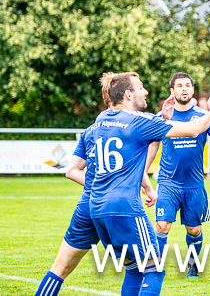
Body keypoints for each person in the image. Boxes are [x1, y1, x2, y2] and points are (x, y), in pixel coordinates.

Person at [89, 72, 210, 296]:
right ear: (128, 94)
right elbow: (193, 130)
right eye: (141, 87)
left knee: (134, 267)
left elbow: (78, 168)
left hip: (97, 206)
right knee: (154, 265)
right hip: (130, 203)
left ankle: (192, 263)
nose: (146, 91)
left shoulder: (101, 120)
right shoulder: (144, 120)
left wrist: (148, 187)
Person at [34, 73, 158, 296]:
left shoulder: (93, 129)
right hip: (115, 206)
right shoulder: (130, 126)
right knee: (144, 266)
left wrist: (100, 182)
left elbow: (71, 171)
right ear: (124, 95)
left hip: (88, 204)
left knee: (60, 267)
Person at [150, 73, 210, 279]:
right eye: (179, 85)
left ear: (192, 90)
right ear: (172, 91)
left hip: (194, 183)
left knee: (194, 229)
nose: (184, 89)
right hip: (168, 181)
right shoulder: (162, 116)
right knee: (162, 225)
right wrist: (143, 175)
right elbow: (152, 145)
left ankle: (192, 265)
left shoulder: (204, 115)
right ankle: (156, 268)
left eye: (188, 85)